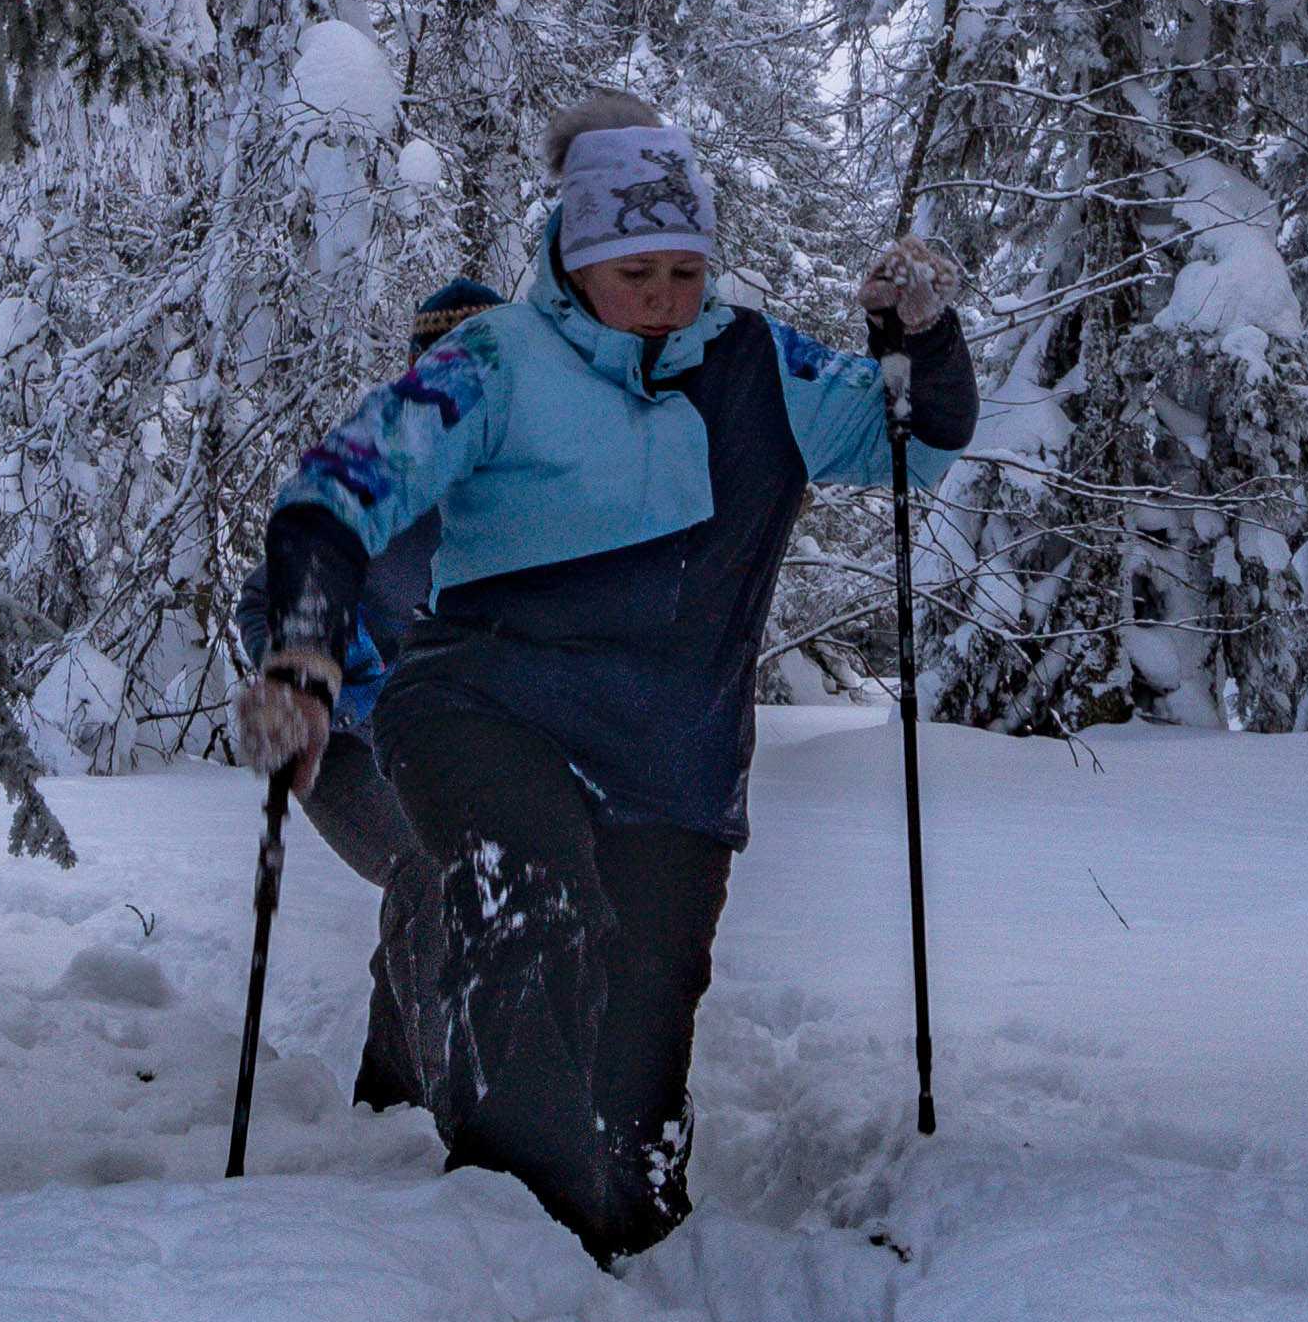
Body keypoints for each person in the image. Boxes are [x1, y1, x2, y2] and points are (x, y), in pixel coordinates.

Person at [240, 100, 968, 1261]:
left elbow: (913, 443)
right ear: (574, 254)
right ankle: (511, 1244)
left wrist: (922, 340)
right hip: (480, 706)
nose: (666, 293)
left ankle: (630, 1258)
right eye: (636, 268)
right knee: (529, 905)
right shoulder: (496, 359)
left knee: (639, 1055)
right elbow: (339, 486)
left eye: (688, 268)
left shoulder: (759, 365)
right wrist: (309, 644)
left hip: (671, 761)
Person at [303, 275, 500, 1114]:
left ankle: (386, 1095)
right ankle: (448, 1106)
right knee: (430, 870)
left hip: (455, 751)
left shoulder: (518, 487)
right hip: (341, 750)